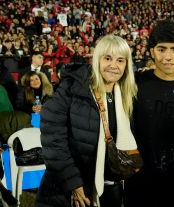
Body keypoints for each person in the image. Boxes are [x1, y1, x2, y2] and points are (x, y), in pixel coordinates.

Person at [35, 35, 138, 207]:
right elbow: (53, 141)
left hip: (111, 190)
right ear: (96, 59)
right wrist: (74, 184)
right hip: (68, 190)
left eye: (120, 60)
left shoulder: (129, 95)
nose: (114, 65)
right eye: (107, 58)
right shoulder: (71, 88)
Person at [124, 20, 174, 207]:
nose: (168, 57)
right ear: (152, 51)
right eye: (162, 49)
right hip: (138, 178)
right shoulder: (135, 84)